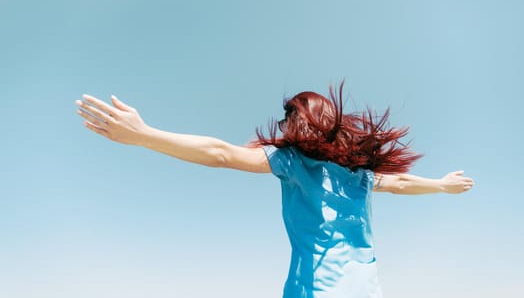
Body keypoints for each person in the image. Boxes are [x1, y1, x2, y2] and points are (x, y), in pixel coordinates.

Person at [75, 83, 474, 298]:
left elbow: (220, 153)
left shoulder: (293, 163)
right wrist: (441, 185)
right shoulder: (358, 175)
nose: (283, 127)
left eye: (289, 118)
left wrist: (146, 136)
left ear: (300, 121)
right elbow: (401, 182)